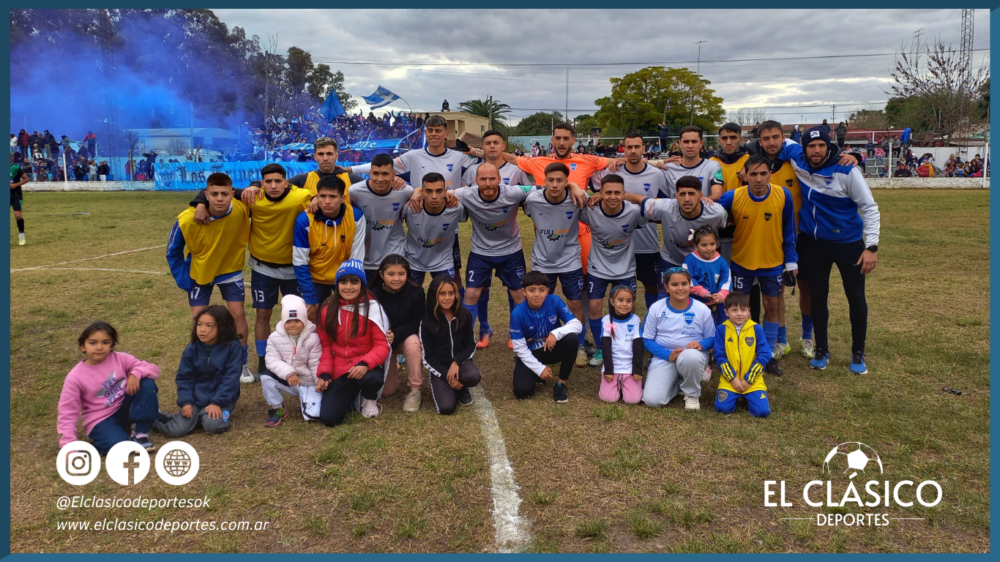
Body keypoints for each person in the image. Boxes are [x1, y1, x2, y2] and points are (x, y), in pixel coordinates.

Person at [190, 164, 311, 382]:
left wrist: (318, 201)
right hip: (263, 269)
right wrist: (199, 203)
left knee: (299, 317)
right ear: (262, 184)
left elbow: (327, 197)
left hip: (294, 269)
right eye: (267, 181)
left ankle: (299, 360)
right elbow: (217, 188)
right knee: (262, 315)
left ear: (287, 182)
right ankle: (264, 363)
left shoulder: (302, 196)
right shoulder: (252, 198)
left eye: (278, 181)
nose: (273, 186)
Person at [778, 127, 880, 375]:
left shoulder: (847, 169)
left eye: (821, 145)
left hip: (849, 244)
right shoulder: (797, 157)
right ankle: (822, 350)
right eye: (811, 146)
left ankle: (858, 352)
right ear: (804, 148)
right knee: (818, 296)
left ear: (828, 146)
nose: (816, 150)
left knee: (855, 298)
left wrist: (871, 247)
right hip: (814, 245)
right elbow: (777, 140)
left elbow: (869, 207)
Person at [166, 173, 253, 383]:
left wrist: (256, 185)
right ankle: (201, 363)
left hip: (230, 269)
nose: (220, 198)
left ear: (233, 194)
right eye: (214, 194)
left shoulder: (242, 209)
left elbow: (268, 194)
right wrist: (184, 280)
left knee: (238, 315)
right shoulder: (186, 219)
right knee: (199, 319)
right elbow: (173, 251)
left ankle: (240, 363)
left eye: (225, 194)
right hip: (200, 272)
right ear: (206, 195)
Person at [717, 155, 797, 376]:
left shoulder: (783, 195)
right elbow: (710, 214)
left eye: (763, 173)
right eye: (753, 174)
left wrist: (791, 262)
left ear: (770, 174)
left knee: (772, 305)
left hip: (773, 263)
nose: (759, 179)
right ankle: (740, 352)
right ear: (745, 175)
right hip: (741, 262)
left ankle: (767, 355)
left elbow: (789, 230)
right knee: (738, 310)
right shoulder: (732, 196)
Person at [459, 130, 531, 344]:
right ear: (476, 180)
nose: (488, 182)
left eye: (495, 142)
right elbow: (450, 195)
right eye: (487, 143)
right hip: (481, 250)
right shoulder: (469, 179)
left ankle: (515, 333)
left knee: (517, 292)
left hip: (511, 249)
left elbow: (536, 192)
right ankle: (476, 332)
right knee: (474, 292)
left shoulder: (515, 177)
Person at [57, 321, 160, 454]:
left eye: (105, 342)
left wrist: (135, 374)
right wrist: (69, 444)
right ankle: (105, 437)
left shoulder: (121, 358)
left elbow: (153, 369)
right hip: (100, 419)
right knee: (118, 448)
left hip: (123, 408)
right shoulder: (75, 377)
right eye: (93, 343)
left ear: (112, 345)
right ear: (83, 346)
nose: (99, 347)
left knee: (146, 382)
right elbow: (67, 411)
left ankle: (140, 432)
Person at [523, 163, 589, 365]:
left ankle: (579, 346)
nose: (554, 184)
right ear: (544, 180)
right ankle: (541, 343)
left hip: (570, 260)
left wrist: (575, 188)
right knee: (540, 304)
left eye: (560, 180)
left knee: (575, 304)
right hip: (543, 262)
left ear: (567, 182)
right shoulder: (532, 199)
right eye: (550, 180)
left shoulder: (577, 198)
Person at [580, 174, 649, 367]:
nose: (612, 197)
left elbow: (652, 211)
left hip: (625, 269)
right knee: (594, 307)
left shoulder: (634, 212)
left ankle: (626, 346)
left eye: (617, 193)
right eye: (607, 192)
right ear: (600, 193)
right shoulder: (590, 210)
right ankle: (603, 348)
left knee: (627, 308)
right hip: (598, 267)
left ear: (624, 193)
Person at [594, 132, 669, 310]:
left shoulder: (657, 174)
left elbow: (663, 208)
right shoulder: (613, 171)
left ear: (644, 149)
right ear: (623, 149)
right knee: (618, 290)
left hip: (647, 243)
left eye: (637, 147)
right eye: (629, 147)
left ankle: (652, 324)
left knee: (652, 285)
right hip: (618, 244)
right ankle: (618, 327)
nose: (633, 151)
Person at [626, 176, 728, 301]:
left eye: (691, 194)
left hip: (701, 263)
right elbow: (639, 199)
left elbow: (728, 227)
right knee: (663, 299)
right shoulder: (664, 207)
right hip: (672, 259)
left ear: (701, 196)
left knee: (705, 301)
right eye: (682, 194)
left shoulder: (716, 212)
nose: (687, 199)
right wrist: (609, 197)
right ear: (676, 195)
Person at [315, 261, 391, 425]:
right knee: (330, 419)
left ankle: (369, 398)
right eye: (343, 282)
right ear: (337, 284)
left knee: (371, 379)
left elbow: (382, 344)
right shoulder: (328, 308)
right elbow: (325, 345)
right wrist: (325, 374)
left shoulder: (373, 307)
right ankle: (351, 394)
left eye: (354, 282)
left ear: (362, 285)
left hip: (366, 365)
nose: (348, 287)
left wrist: (365, 363)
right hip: (340, 366)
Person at [154, 306, 243, 437]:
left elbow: (231, 378)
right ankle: (152, 418)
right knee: (176, 430)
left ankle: (202, 416)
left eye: (209, 325)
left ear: (222, 326)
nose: (202, 330)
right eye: (199, 324)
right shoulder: (191, 349)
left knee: (213, 425)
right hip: (196, 399)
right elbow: (184, 378)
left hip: (223, 400)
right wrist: (186, 402)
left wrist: (216, 402)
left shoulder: (233, 347)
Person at [641, 268, 715, 411]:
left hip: (692, 356)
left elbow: (712, 337)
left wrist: (701, 344)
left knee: (690, 357)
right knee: (652, 400)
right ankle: (680, 382)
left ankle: (692, 394)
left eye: (684, 284)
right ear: (667, 287)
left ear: (690, 285)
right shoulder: (656, 308)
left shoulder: (702, 309)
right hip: (664, 357)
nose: (680, 288)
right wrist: (667, 355)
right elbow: (647, 339)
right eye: (675, 285)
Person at [293, 175, 366, 318]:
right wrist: (310, 296)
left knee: (349, 318)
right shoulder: (304, 220)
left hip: (346, 276)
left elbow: (356, 258)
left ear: (343, 198)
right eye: (323, 196)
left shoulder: (356, 217)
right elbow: (300, 261)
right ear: (316, 197)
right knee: (311, 317)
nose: (327, 201)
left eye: (332, 196)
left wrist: (349, 286)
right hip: (316, 279)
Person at [509, 271, 583, 402]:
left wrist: (555, 333)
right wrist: (539, 368)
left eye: (541, 290)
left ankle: (561, 384)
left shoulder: (554, 300)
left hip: (552, 347)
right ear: (524, 291)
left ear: (547, 290)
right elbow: (520, 348)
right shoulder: (517, 313)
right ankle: (537, 375)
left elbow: (577, 325)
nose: (537, 294)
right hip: (532, 352)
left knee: (571, 339)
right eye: (532, 290)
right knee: (522, 392)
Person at [370, 255, 426, 413]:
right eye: (391, 274)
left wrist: (397, 333)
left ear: (407, 274)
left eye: (401, 274)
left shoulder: (416, 292)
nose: (396, 278)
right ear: (381, 275)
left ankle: (415, 390)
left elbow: (418, 321)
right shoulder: (373, 295)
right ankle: (390, 365)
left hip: (405, 339)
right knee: (388, 391)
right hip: (384, 343)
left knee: (414, 343)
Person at [346, 153, 414, 283]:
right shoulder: (354, 192)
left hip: (394, 256)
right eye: (376, 173)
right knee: (368, 301)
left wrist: (418, 191)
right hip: (364, 259)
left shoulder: (405, 191)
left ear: (394, 174)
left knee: (393, 301)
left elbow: (420, 194)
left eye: (385, 174)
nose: (380, 178)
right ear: (370, 173)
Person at [419, 274, 481, 414]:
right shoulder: (427, 322)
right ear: (434, 295)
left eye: (451, 293)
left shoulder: (464, 315)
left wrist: (457, 362)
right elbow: (427, 357)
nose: (447, 298)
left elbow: (470, 345)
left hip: (460, 364)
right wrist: (448, 374)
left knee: (473, 375)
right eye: (442, 294)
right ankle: (453, 386)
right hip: (440, 367)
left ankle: (461, 387)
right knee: (446, 408)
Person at [262, 294, 323, 427]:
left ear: (305, 321)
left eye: (297, 320)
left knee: (314, 415)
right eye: (288, 321)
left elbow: (315, 363)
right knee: (266, 378)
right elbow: (272, 360)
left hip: (308, 382)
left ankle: (308, 400)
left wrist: (319, 381)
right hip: (288, 380)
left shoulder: (313, 338)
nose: (292, 325)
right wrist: (289, 373)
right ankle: (277, 408)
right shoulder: (274, 338)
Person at [713, 293, 771, 417]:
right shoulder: (721, 329)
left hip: (752, 381)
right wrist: (733, 379)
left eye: (743, 310)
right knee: (722, 408)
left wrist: (749, 380)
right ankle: (737, 395)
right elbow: (719, 357)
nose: (739, 313)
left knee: (762, 412)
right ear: (726, 312)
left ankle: (749, 395)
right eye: (734, 310)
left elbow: (764, 355)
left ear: (749, 311)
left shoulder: (756, 329)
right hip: (730, 381)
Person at [403, 173, 466, 284]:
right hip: (414, 261)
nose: (434, 196)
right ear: (421, 192)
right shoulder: (410, 208)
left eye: (438, 191)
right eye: (428, 191)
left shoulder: (456, 208)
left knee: (451, 295)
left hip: (443, 261)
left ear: (445, 192)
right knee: (409, 297)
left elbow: (465, 217)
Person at [598, 285, 644, 405]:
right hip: (613, 368)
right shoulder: (606, 320)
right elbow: (605, 346)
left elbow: (638, 346)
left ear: (633, 303)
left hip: (629, 368)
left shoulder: (635, 320)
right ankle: (615, 385)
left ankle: (627, 386)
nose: (624, 304)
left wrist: (637, 370)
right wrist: (608, 370)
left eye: (629, 301)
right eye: (620, 300)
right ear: (612, 302)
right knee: (608, 398)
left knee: (633, 400)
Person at [683, 226, 731, 326]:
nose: (709, 248)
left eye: (712, 244)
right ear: (696, 246)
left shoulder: (721, 262)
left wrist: (721, 295)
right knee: (697, 328)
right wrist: (705, 293)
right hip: (694, 302)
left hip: (716, 302)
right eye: (704, 245)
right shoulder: (690, 260)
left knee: (720, 327)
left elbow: (727, 281)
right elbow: (688, 280)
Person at [288, 137, 361, 201]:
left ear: (336, 156)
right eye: (321, 154)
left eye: (329, 154)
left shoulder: (353, 179)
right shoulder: (301, 180)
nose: (325, 158)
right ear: (315, 156)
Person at [10, 153, 29, 245]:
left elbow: (26, 179)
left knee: (18, 215)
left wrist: (15, 185)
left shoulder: (16, 168)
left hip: (16, 194)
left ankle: (21, 234)